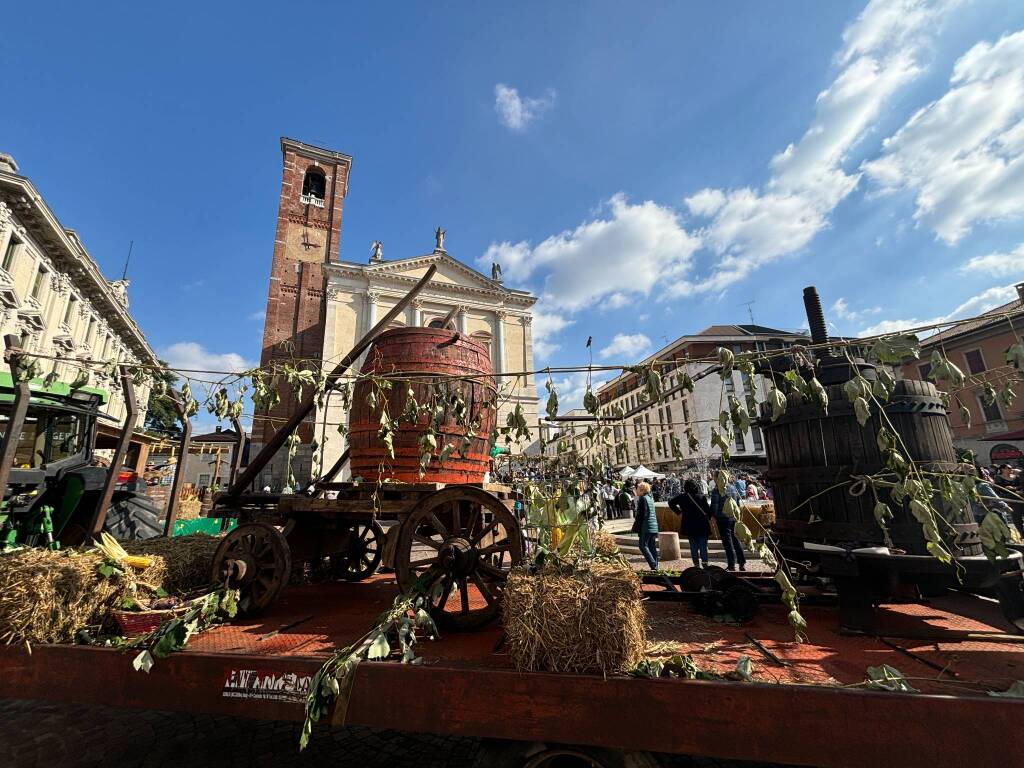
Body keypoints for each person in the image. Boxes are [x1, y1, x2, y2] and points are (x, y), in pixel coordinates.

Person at [669, 479, 712, 568]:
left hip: (689, 525)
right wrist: (709, 516)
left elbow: (670, 503)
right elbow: (708, 511)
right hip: (702, 525)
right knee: (703, 546)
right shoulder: (701, 497)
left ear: (685, 487)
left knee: (693, 547)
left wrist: (679, 512)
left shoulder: (682, 497)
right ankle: (705, 564)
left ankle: (696, 565)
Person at [710, 482, 747, 571]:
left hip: (722, 519)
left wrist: (713, 516)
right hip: (733, 517)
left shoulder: (717, 490)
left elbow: (714, 505)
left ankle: (731, 564)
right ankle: (742, 563)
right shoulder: (733, 488)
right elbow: (737, 503)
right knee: (736, 540)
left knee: (727, 542)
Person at [632, 480, 659, 570]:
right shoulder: (650, 498)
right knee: (652, 546)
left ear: (642, 490)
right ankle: (655, 566)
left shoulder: (643, 499)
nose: (636, 491)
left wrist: (635, 527)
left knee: (643, 546)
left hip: (646, 526)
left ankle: (654, 565)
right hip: (653, 526)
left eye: (638, 489)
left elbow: (641, 515)